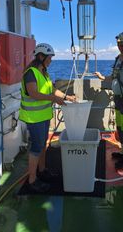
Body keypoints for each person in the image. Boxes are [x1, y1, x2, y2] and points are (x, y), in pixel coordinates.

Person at [19, 43, 76, 193]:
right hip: (34, 118)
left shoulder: (43, 72)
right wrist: (53, 99)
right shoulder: (31, 73)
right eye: (49, 57)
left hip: (43, 116)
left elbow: (53, 89)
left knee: (43, 145)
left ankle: (42, 170)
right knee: (37, 147)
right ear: (41, 56)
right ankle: (32, 180)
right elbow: (34, 93)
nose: (51, 60)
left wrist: (67, 96)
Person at [95, 32, 123, 170]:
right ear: (118, 45)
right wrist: (102, 77)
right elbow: (114, 77)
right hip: (118, 100)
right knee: (120, 128)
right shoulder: (118, 59)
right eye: (120, 45)